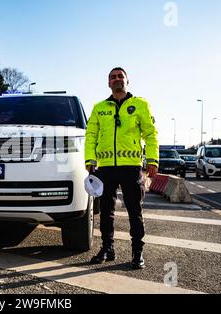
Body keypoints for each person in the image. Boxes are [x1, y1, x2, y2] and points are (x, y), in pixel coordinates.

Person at [85, 67, 159, 269]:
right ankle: (108, 248)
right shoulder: (99, 107)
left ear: (128, 81)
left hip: (131, 167)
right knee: (106, 210)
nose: (117, 79)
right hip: (106, 168)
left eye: (120, 76)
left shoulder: (140, 105)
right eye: (113, 77)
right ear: (108, 83)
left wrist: (152, 160)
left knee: (134, 210)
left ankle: (137, 252)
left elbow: (151, 134)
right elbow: (91, 135)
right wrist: (90, 160)